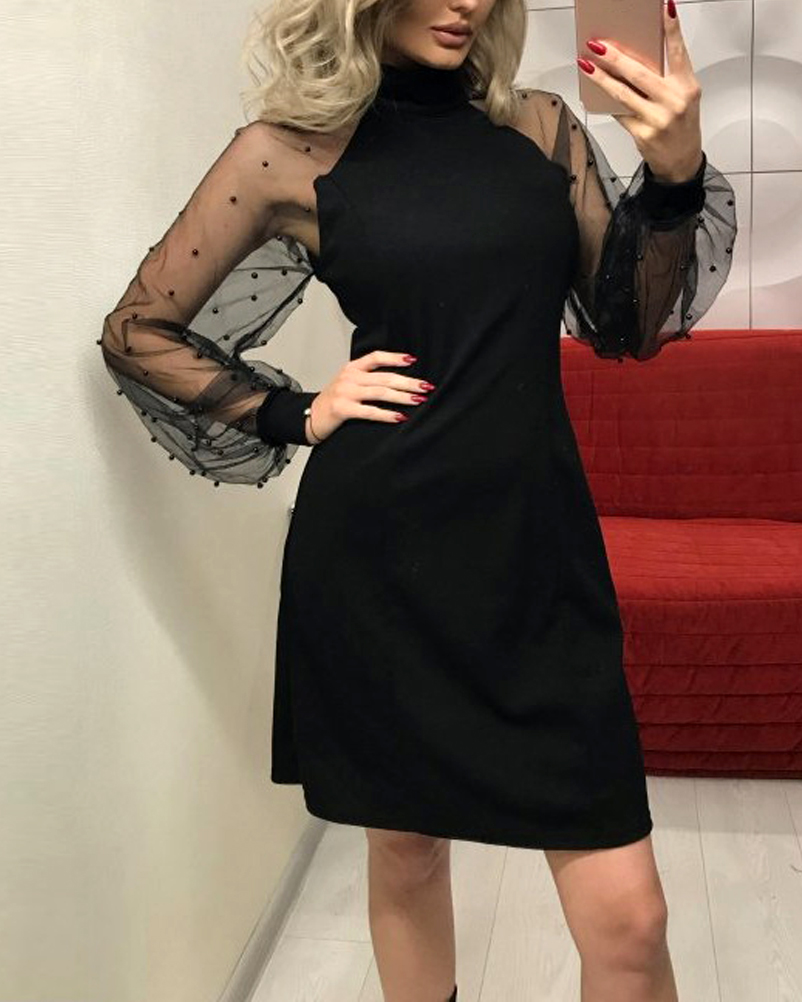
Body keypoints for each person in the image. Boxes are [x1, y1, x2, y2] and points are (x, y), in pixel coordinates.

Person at [99, 0, 736, 996]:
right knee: (407, 852)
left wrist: (676, 171)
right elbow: (139, 330)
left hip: (537, 553)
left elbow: (630, 322)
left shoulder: (537, 129)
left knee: (631, 919)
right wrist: (295, 411)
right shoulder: (286, 154)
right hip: (380, 558)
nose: (465, 2)